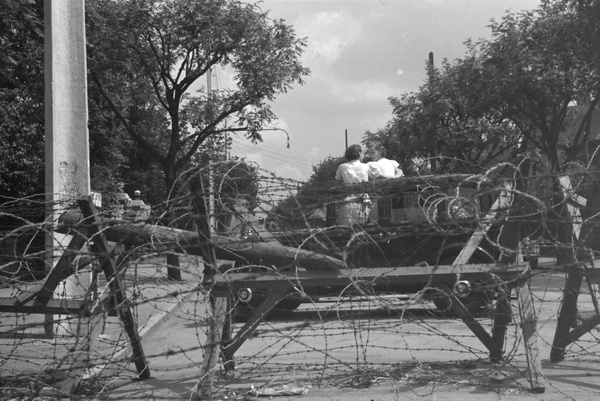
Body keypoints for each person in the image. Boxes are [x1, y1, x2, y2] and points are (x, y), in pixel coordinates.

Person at [334, 144, 374, 226]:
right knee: (362, 228)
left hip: (347, 201)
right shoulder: (366, 166)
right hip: (363, 201)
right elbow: (375, 177)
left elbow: (337, 182)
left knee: (345, 229)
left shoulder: (342, 167)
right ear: (359, 153)